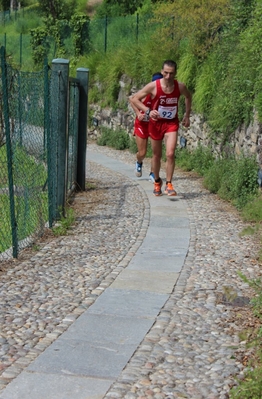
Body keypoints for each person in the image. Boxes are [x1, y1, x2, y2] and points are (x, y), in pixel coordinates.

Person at [130, 60, 191, 196]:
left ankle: (169, 184)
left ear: (175, 73)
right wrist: (147, 111)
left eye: (171, 73)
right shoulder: (153, 86)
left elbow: (188, 96)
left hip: (171, 123)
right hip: (156, 124)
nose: (168, 76)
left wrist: (187, 115)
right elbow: (134, 99)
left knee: (170, 153)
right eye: (166, 73)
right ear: (162, 71)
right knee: (156, 155)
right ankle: (157, 181)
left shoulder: (180, 86)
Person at [130, 72, 163, 183]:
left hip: (154, 125)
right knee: (142, 152)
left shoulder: (163, 95)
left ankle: (153, 173)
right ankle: (139, 162)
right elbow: (132, 99)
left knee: (156, 153)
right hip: (142, 125)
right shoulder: (146, 93)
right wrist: (138, 114)